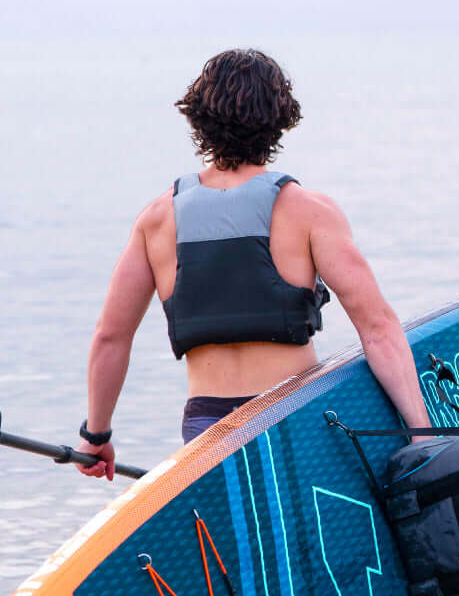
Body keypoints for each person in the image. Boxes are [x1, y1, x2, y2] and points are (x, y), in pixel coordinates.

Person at [76, 48, 430, 480]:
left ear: (199, 117)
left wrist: (96, 435)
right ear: (280, 118)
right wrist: (421, 432)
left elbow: (111, 336)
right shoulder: (311, 213)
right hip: (291, 417)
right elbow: (377, 329)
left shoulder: (156, 220)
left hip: (207, 429)